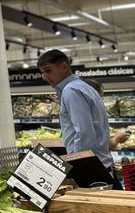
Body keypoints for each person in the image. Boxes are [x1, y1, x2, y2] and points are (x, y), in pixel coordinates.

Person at [37, 50, 121, 189]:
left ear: (64, 67)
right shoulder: (84, 87)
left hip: (90, 170)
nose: (45, 77)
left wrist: (75, 168)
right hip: (100, 165)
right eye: (42, 72)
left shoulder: (71, 91)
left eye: (48, 71)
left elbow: (83, 133)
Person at [82, 78, 131, 150]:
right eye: (100, 97)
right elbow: (103, 146)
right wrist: (117, 138)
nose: (101, 101)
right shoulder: (89, 117)